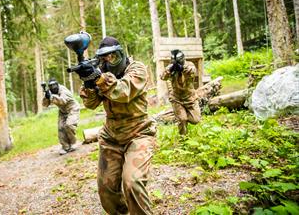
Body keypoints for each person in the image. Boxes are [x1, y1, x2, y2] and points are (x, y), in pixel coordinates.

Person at [75, 36, 156, 215]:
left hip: (139, 133)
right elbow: (91, 104)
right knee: (106, 189)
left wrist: (100, 78)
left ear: (121, 54)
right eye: (105, 58)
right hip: (111, 137)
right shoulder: (102, 73)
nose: (109, 62)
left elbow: (123, 91)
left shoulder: (137, 69)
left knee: (132, 182)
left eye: (113, 57)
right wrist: (89, 84)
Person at [160, 49, 201, 135]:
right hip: (176, 98)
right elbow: (163, 77)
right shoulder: (170, 67)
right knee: (182, 120)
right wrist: (170, 70)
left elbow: (193, 71)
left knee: (196, 120)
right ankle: (183, 139)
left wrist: (182, 68)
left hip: (190, 98)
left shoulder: (189, 65)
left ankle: (183, 115)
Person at [42, 78, 80, 155]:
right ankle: (65, 146)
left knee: (69, 125)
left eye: (54, 85)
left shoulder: (63, 90)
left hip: (73, 109)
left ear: (57, 84)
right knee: (61, 128)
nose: (53, 87)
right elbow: (45, 105)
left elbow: (62, 101)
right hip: (63, 111)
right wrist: (46, 96)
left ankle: (74, 142)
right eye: (51, 86)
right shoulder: (49, 92)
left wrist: (51, 97)